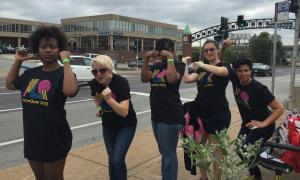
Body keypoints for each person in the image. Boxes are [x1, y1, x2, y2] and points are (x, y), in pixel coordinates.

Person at [5, 26, 78, 180]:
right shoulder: (31, 74)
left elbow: (70, 91)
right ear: (37, 50)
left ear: (60, 49)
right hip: (33, 137)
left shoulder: (62, 73)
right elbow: (10, 85)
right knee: (40, 177)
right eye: (43, 47)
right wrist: (18, 61)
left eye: (52, 46)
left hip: (54, 138)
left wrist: (66, 61)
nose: (48, 50)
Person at [182, 39, 231, 180]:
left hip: (218, 114)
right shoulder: (201, 70)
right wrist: (185, 65)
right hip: (200, 114)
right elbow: (187, 79)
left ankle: (215, 178)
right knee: (199, 148)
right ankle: (203, 177)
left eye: (211, 49)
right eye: (206, 50)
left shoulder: (224, 66)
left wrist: (202, 64)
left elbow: (221, 71)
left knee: (216, 151)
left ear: (217, 51)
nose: (209, 52)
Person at [230, 58, 284, 180]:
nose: (243, 73)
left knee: (245, 148)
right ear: (236, 72)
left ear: (251, 70)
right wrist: (223, 49)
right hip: (248, 124)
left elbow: (280, 108)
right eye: (240, 71)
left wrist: (263, 123)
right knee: (239, 149)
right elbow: (222, 66)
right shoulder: (235, 79)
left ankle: (256, 176)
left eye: (246, 70)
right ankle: (255, 164)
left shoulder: (259, 88)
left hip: (264, 126)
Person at [141, 38, 185, 180]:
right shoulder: (156, 66)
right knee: (164, 152)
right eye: (160, 51)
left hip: (171, 116)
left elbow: (172, 79)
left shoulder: (179, 64)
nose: (162, 54)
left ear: (172, 50)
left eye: (166, 50)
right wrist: (146, 60)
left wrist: (170, 59)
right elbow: (144, 78)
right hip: (157, 115)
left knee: (169, 153)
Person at [89, 55, 137, 180]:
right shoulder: (94, 83)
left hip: (126, 125)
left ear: (110, 69)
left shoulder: (120, 82)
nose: (98, 74)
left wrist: (109, 100)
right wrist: (100, 109)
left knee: (117, 159)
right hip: (108, 125)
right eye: (95, 71)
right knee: (112, 160)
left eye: (102, 70)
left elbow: (124, 112)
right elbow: (94, 95)